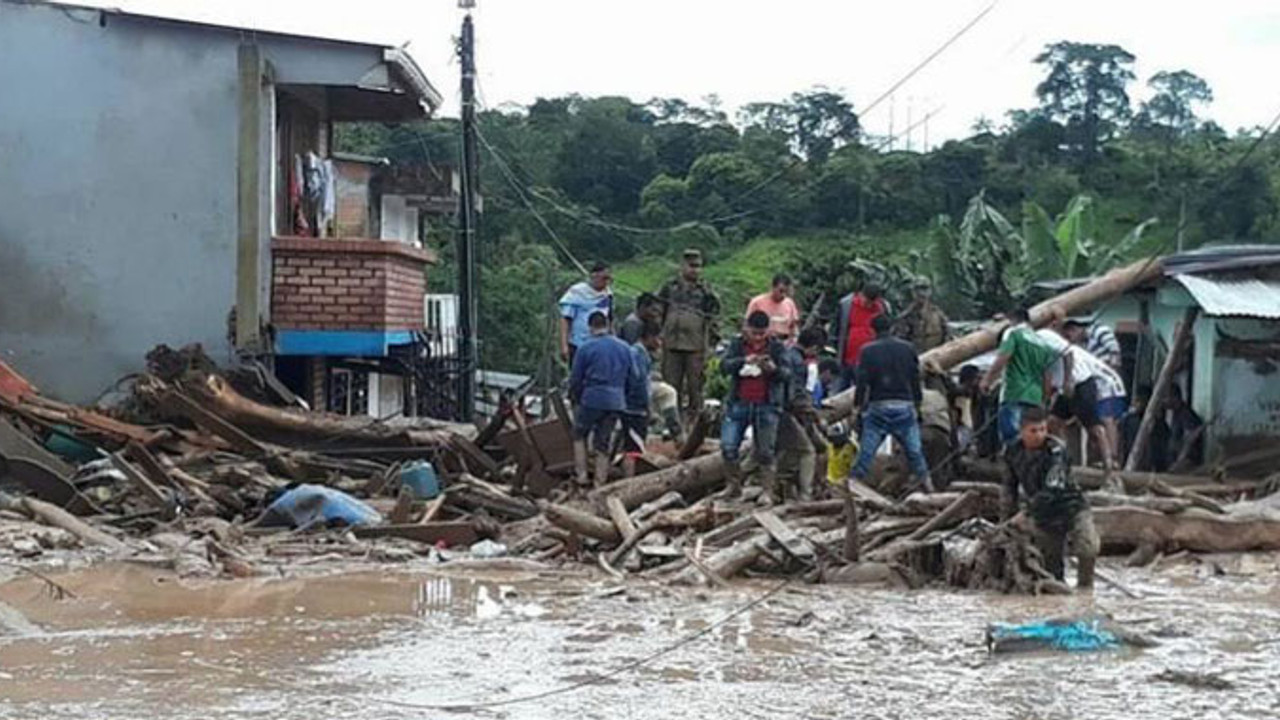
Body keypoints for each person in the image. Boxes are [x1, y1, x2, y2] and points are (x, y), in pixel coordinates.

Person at [1002, 406, 1099, 591]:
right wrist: (1006, 519)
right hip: (1045, 515)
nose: (1039, 435)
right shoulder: (1012, 451)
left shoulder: (1056, 451)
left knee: (1087, 548)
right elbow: (1008, 487)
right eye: (1033, 431)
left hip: (1071, 506)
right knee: (1052, 568)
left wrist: (1026, 513)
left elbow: (1053, 489)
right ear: (1021, 430)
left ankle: (1086, 590)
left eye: (1042, 429)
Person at [848, 314, 934, 493]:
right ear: (892, 328)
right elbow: (914, 379)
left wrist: (857, 408)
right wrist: (917, 404)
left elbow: (862, 382)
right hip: (904, 405)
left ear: (873, 330)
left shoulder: (867, 351)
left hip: (878, 405)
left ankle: (850, 487)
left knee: (866, 452)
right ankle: (929, 486)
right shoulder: (908, 349)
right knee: (915, 452)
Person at [719, 311, 791, 504]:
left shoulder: (776, 346)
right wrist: (743, 361)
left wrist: (773, 369)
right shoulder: (737, 344)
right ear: (746, 329)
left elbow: (787, 374)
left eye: (762, 333)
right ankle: (733, 486)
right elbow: (723, 366)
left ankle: (767, 490)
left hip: (767, 403)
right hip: (739, 401)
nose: (758, 338)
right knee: (728, 446)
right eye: (754, 333)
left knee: (766, 450)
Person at [1036, 327, 1126, 481]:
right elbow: (1046, 374)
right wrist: (1045, 398)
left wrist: (1068, 380)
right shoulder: (1032, 352)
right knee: (1053, 421)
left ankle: (1110, 465)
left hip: (1080, 382)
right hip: (1063, 387)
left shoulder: (1043, 336)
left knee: (1095, 427)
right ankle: (1062, 458)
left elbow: (1067, 353)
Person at [568, 311, 643, 487]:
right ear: (609, 325)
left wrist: (577, 397)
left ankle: (582, 476)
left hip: (592, 398)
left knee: (579, 434)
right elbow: (635, 377)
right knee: (604, 441)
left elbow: (575, 379)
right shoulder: (625, 348)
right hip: (616, 401)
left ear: (590, 327)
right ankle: (600, 482)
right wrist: (624, 395)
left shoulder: (585, 348)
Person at [979, 307, 1059, 448]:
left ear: (1013, 320)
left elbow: (1003, 357)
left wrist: (987, 380)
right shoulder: (1042, 343)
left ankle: (1013, 465)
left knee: (1012, 437)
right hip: (1035, 396)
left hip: (1014, 391)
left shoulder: (1013, 333)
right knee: (1031, 438)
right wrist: (1044, 399)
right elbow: (1047, 375)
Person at [658, 249, 721, 418]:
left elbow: (714, 315)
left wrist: (713, 343)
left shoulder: (705, 290)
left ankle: (694, 423)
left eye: (698, 266)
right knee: (671, 386)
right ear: (683, 266)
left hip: (695, 345)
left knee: (696, 387)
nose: (695, 270)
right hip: (672, 342)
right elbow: (658, 310)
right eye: (691, 266)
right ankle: (672, 423)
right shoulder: (670, 287)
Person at [620, 322, 660, 478]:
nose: (659, 342)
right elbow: (639, 383)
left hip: (631, 407)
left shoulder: (638, 353)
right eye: (657, 338)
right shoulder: (638, 354)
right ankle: (629, 483)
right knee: (633, 449)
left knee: (632, 447)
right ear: (649, 337)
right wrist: (647, 407)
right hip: (634, 409)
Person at [559, 262, 614, 366]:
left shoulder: (608, 295)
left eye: (609, 279)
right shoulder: (577, 292)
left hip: (601, 344)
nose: (607, 282)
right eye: (604, 278)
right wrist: (564, 345)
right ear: (594, 276)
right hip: (578, 344)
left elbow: (610, 319)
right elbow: (565, 319)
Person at [836, 283, 887, 391]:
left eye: (871, 303)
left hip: (871, 359)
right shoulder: (846, 305)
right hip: (848, 357)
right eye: (866, 301)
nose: (868, 305)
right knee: (841, 388)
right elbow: (837, 328)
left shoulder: (882, 308)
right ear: (861, 295)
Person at [1121, 384, 1171, 471]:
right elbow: (1122, 442)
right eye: (1137, 400)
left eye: (1140, 400)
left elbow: (1162, 450)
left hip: (1151, 467)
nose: (1137, 403)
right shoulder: (1129, 420)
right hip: (1131, 463)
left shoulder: (1159, 424)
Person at [895, 277, 949, 352]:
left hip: (937, 357)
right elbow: (900, 342)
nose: (922, 293)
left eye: (925, 289)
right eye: (918, 290)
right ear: (913, 292)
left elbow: (947, 336)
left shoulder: (938, 314)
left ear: (930, 291)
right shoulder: (906, 317)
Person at [746, 274, 802, 344]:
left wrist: (793, 340)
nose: (783, 295)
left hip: (784, 342)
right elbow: (747, 325)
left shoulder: (790, 304)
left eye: (786, 292)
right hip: (762, 342)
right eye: (781, 291)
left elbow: (793, 327)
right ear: (772, 287)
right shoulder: (757, 302)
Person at [1167, 385, 1204, 468]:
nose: (1164, 401)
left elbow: (1190, 439)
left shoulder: (1186, 414)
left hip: (1187, 464)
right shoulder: (1176, 413)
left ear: (1174, 397)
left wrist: (1180, 461)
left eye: (1166, 398)